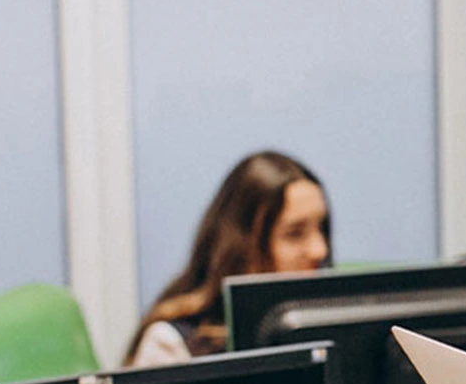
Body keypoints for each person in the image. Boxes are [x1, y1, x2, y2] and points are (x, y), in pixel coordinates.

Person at [126, 150, 330, 367]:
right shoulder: (173, 344)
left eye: (322, 228)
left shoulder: (335, 328)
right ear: (242, 245)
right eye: (294, 233)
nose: (320, 250)